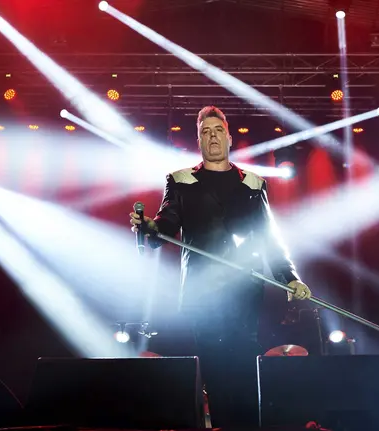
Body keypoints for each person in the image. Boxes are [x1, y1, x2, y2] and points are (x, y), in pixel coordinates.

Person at [130, 106, 311, 427]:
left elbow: (268, 239)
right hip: (203, 296)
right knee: (216, 376)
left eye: (217, 131)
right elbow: (165, 225)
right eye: (205, 132)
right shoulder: (181, 180)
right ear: (198, 141)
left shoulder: (254, 183)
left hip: (245, 291)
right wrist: (147, 228)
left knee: (243, 373)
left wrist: (290, 278)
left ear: (229, 138)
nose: (212, 136)